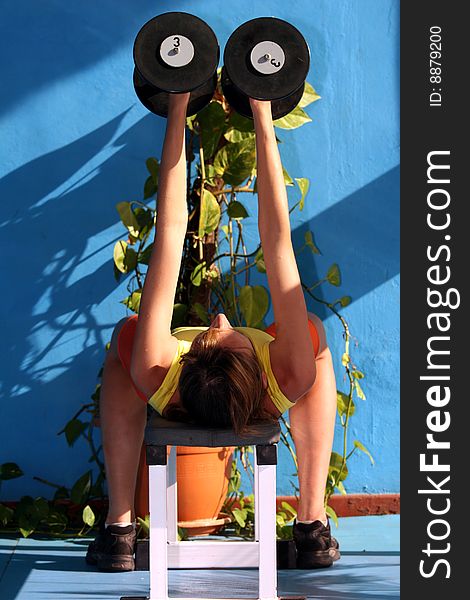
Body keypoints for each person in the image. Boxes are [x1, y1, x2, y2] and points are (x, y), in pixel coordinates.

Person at [85, 91, 340, 572]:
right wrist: (263, 115)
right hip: (278, 374)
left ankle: (119, 527)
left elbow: (171, 230)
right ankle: (311, 524)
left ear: (184, 363)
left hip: (165, 381)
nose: (219, 319)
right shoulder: (286, 372)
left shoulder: (158, 367)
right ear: (258, 369)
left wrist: (177, 107)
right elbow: (277, 238)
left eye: (208, 332)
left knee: (127, 337)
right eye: (229, 332)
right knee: (310, 336)